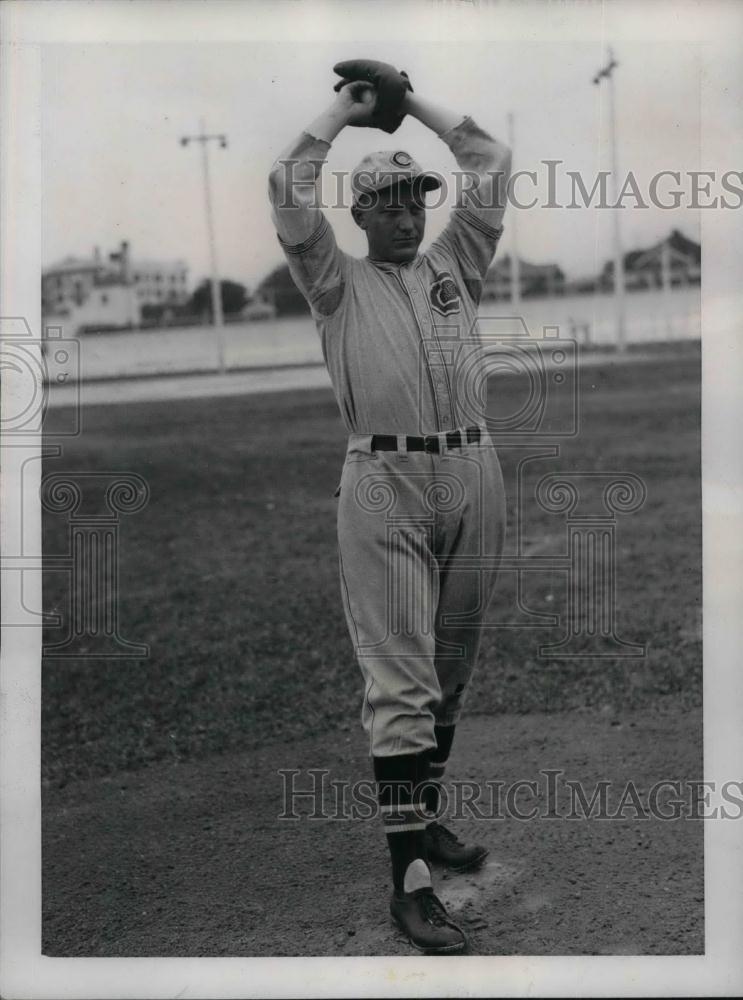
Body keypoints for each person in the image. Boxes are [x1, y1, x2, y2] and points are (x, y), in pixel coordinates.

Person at [268, 65, 511, 954]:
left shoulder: (457, 262)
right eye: (388, 200)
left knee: (449, 670)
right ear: (360, 214)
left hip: (475, 470)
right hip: (382, 484)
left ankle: (428, 823)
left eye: (416, 197)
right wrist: (348, 114)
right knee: (400, 686)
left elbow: (487, 157)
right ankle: (408, 883)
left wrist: (411, 104)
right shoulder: (334, 281)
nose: (407, 212)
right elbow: (287, 187)